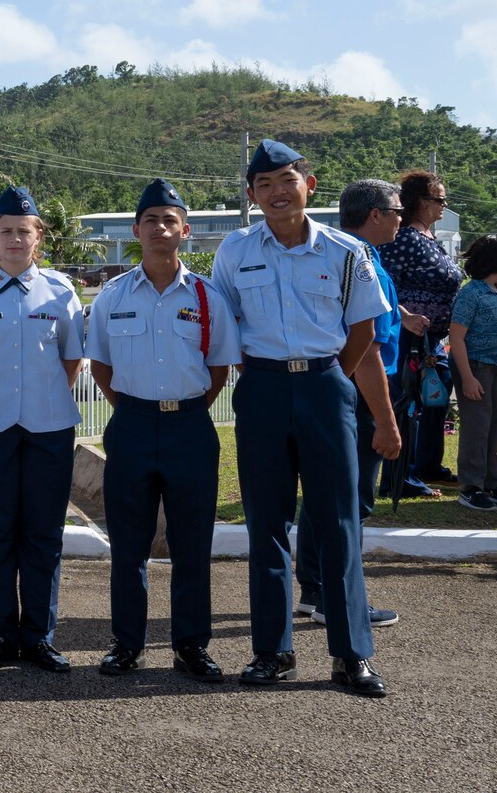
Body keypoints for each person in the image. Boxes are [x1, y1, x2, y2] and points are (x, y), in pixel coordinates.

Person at [210, 139, 395, 697]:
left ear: (308, 186)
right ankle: (273, 652)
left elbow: (363, 326)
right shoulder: (234, 251)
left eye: (286, 180)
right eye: (263, 185)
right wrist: (263, 374)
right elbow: (225, 325)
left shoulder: (344, 252)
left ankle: (351, 655)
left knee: (338, 520)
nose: (276, 193)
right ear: (251, 195)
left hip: (324, 386)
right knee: (266, 523)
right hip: (262, 389)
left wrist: (328, 372)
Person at [85, 179, 239, 682]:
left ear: (185, 232)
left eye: (169, 220)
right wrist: (136, 409)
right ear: (136, 229)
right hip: (130, 425)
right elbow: (100, 365)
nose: (159, 228)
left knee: (192, 544)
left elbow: (218, 369)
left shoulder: (207, 294)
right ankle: (127, 644)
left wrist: (181, 409)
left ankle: (191, 646)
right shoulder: (112, 295)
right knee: (128, 545)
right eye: (150, 219)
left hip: (190, 428)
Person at [0, 186, 84, 674]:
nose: (15, 239)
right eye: (6, 231)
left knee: (44, 534)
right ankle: (1, 635)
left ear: (37, 236)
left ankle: (40, 637)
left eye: (24, 231)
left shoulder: (62, 291)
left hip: (49, 428)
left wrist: (39, 399)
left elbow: (71, 359)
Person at [299, 180, 406, 630]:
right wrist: (385, 419)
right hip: (359, 396)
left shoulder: (345, 255)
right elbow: (368, 351)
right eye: (397, 210)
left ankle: (313, 589)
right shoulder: (360, 262)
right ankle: (333, 595)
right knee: (351, 500)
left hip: (339, 390)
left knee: (324, 497)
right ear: (375, 214)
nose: (402, 217)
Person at [385, 170, 462, 488]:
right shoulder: (403, 239)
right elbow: (384, 284)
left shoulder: (431, 238)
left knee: (436, 396)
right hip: (410, 336)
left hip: (432, 337)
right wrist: (404, 316)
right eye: (439, 199)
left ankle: (427, 465)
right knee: (409, 401)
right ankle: (401, 475)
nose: (444, 204)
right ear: (419, 201)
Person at [448, 234, 497, 511]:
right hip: (474, 365)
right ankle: (470, 487)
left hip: (495, 364)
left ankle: (490, 483)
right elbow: (456, 338)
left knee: (493, 426)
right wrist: (467, 378)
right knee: (476, 427)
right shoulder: (471, 293)